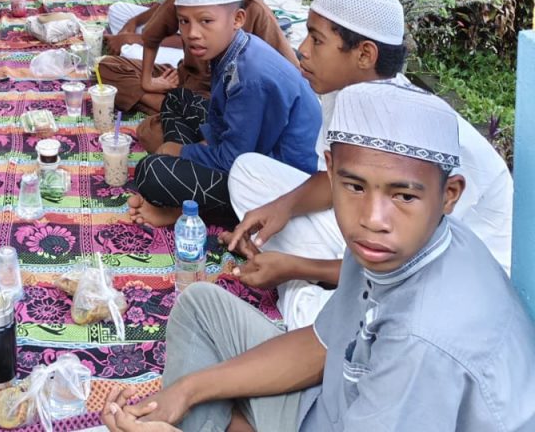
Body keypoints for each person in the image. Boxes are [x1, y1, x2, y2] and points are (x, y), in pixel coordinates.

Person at [101, 82, 535, 432]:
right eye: (354, 186)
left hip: (358, 409)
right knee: (200, 306)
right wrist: (188, 391)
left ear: (449, 195)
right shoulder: (395, 244)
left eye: (403, 195)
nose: (373, 218)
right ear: (330, 171)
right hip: (332, 404)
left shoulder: (423, 340)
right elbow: (324, 345)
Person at [222, 0, 514, 328]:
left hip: (448, 278)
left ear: (364, 54)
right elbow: (334, 181)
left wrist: (295, 268)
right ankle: (316, 281)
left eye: (317, 39)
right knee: (247, 173)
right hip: (382, 238)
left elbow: (412, 262)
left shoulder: (420, 138)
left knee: (311, 316)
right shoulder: (345, 94)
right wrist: (281, 207)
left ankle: (305, 286)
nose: (302, 49)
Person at [128, 0, 320, 227]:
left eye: (206, 21)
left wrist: (181, 151)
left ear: (237, 19)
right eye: (184, 21)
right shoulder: (234, 50)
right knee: (177, 98)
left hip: (279, 185)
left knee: (151, 171)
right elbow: (224, 122)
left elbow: (234, 160)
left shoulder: (251, 77)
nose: (192, 34)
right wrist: (193, 149)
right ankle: (183, 195)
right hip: (247, 150)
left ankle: (186, 205)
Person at [102, 0, 298, 125]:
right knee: (107, 67)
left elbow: (291, 72)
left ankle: (175, 111)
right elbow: (151, 35)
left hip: (227, 98)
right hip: (185, 80)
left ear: (237, 18)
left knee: (151, 132)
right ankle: (173, 108)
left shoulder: (256, 10)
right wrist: (148, 82)